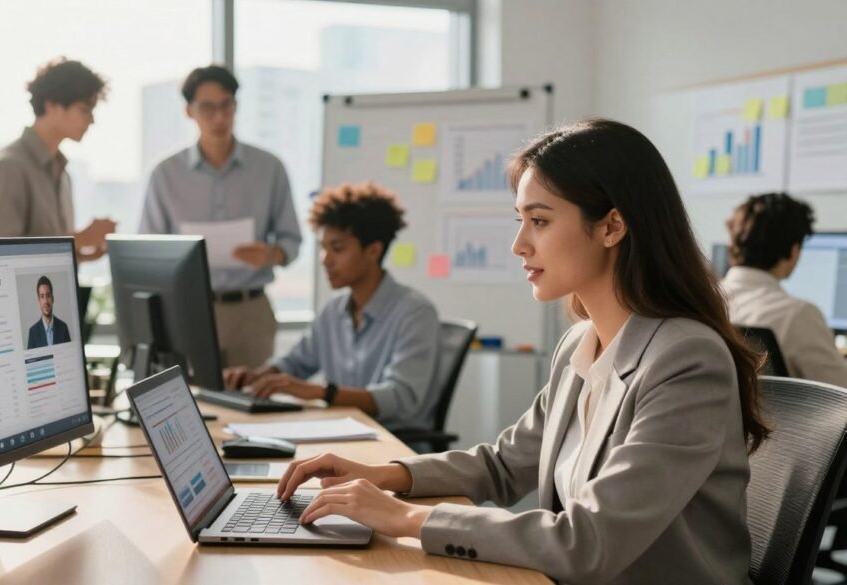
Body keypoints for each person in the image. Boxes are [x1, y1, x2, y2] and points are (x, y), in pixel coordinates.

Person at [276, 120, 767, 585]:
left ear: (611, 226)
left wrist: (404, 517)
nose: (518, 244)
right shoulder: (580, 344)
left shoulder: (686, 360)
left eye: (539, 221)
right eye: (521, 220)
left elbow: (589, 540)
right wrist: (383, 475)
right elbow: (504, 465)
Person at [223, 182, 439, 431]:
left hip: (390, 440)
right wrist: (257, 377)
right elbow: (295, 363)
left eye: (337, 249)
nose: (325, 260)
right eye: (323, 248)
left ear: (373, 251)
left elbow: (400, 397)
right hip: (341, 433)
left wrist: (321, 392)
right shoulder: (333, 311)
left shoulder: (415, 313)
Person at [139, 64, 302, 369]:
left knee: (253, 394)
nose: (219, 117)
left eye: (226, 105)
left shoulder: (270, 168)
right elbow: (147, 250)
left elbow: (292, 239)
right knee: (189, 396)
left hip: (251, 312)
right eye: (207, 108)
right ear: (189, 111)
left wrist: (271, 254)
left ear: (236, 106)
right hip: (188, 311)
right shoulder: (165, 174)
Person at [0, 58, 116, 261]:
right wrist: (81, 238)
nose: (91, 120)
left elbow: (41, 257)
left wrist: (81, 255)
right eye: (84, 110)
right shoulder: (7, 168)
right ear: (52, 105)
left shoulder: (62, 173)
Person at [722, 192, 847, 387]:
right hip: (779, 409)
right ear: (794, 250)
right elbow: (840, 391)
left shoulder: (705, 299)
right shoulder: (798, 315)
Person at [27, 276, 71, 349]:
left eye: (48, 296)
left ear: (52, 298)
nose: (46, 301)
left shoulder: (63, 328)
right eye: (42, 296)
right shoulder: (33, 332)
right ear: (39, 301)